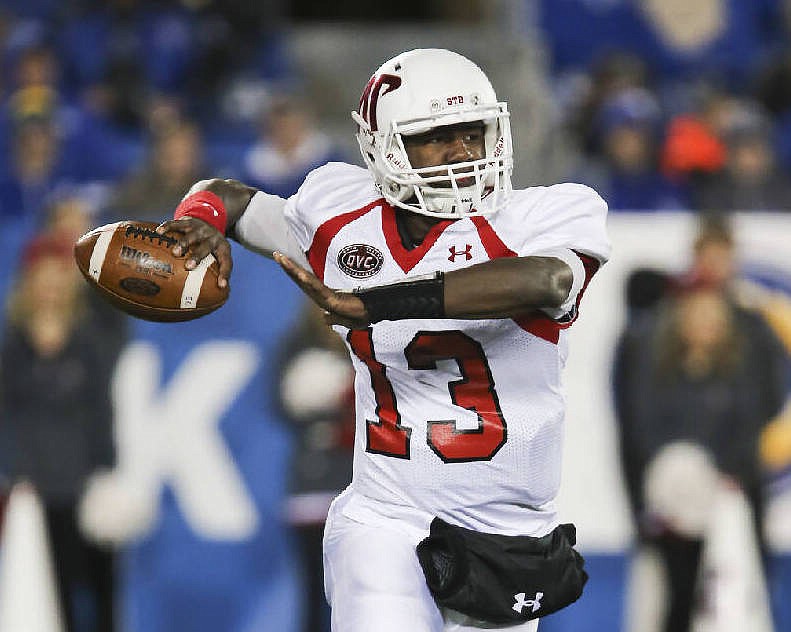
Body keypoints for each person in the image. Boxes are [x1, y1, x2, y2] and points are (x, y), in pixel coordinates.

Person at [157, 49, 610, 632]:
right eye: (436, 137)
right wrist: (200, 217)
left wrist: (372, 305)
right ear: (384, 147)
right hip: (388, 516)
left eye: (472, 132)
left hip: (506, 535)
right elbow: (230, 196)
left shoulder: (543, 216)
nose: (463, 153)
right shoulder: (339, 218)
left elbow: (546, 280)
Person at [0, 232, 120, 632]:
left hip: (85, 485)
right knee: (47, 594)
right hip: (34, 490)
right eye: (43, 276)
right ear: (29, 281)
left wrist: (106, 472)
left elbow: (102, 409)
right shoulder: (11, 343)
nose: (51, 286)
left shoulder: (89, 338)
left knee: (104, 592)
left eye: (58, 276)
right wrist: (14, 476)